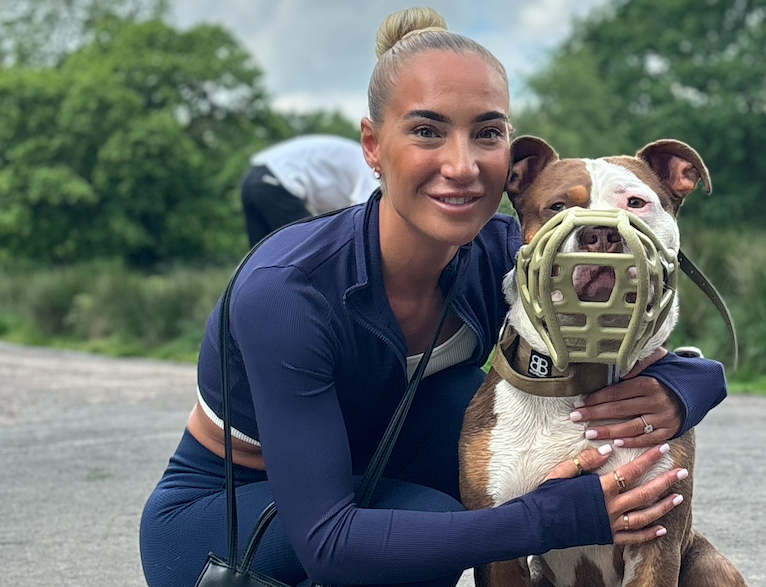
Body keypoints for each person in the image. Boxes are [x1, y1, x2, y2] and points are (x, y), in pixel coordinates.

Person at [139, 8, 730, 587]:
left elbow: (625, 325)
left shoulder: (507, 253)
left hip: (373, 471)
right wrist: (555, 518)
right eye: (427, 131)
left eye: (487, 133)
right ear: (372, 145)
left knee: (464, 401)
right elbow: (327, 542)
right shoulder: (288, 289)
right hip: (233, 516)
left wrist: (685, 388)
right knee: (433, 528)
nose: (462, 165)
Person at [241, 134, 380, 247]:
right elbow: (365, 217)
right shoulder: (371, 167)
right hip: (278, 180)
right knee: (311, 249)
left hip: (254, 178)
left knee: (260, 256)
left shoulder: (357, 157)